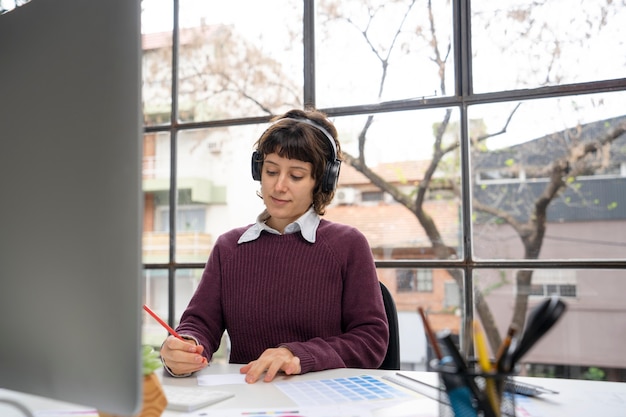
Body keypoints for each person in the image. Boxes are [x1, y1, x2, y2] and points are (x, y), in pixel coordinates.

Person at [160, 107, 389, 384]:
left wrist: (297, 355)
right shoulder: (229, 248)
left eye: (296, 176)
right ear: (259, 171)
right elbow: (200, 324)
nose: (279, 186)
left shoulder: (348, 245)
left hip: (324, 402)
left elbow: (370, 340)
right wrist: (184, 346)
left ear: (321, 181)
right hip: (248, 396)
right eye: (271, 171)